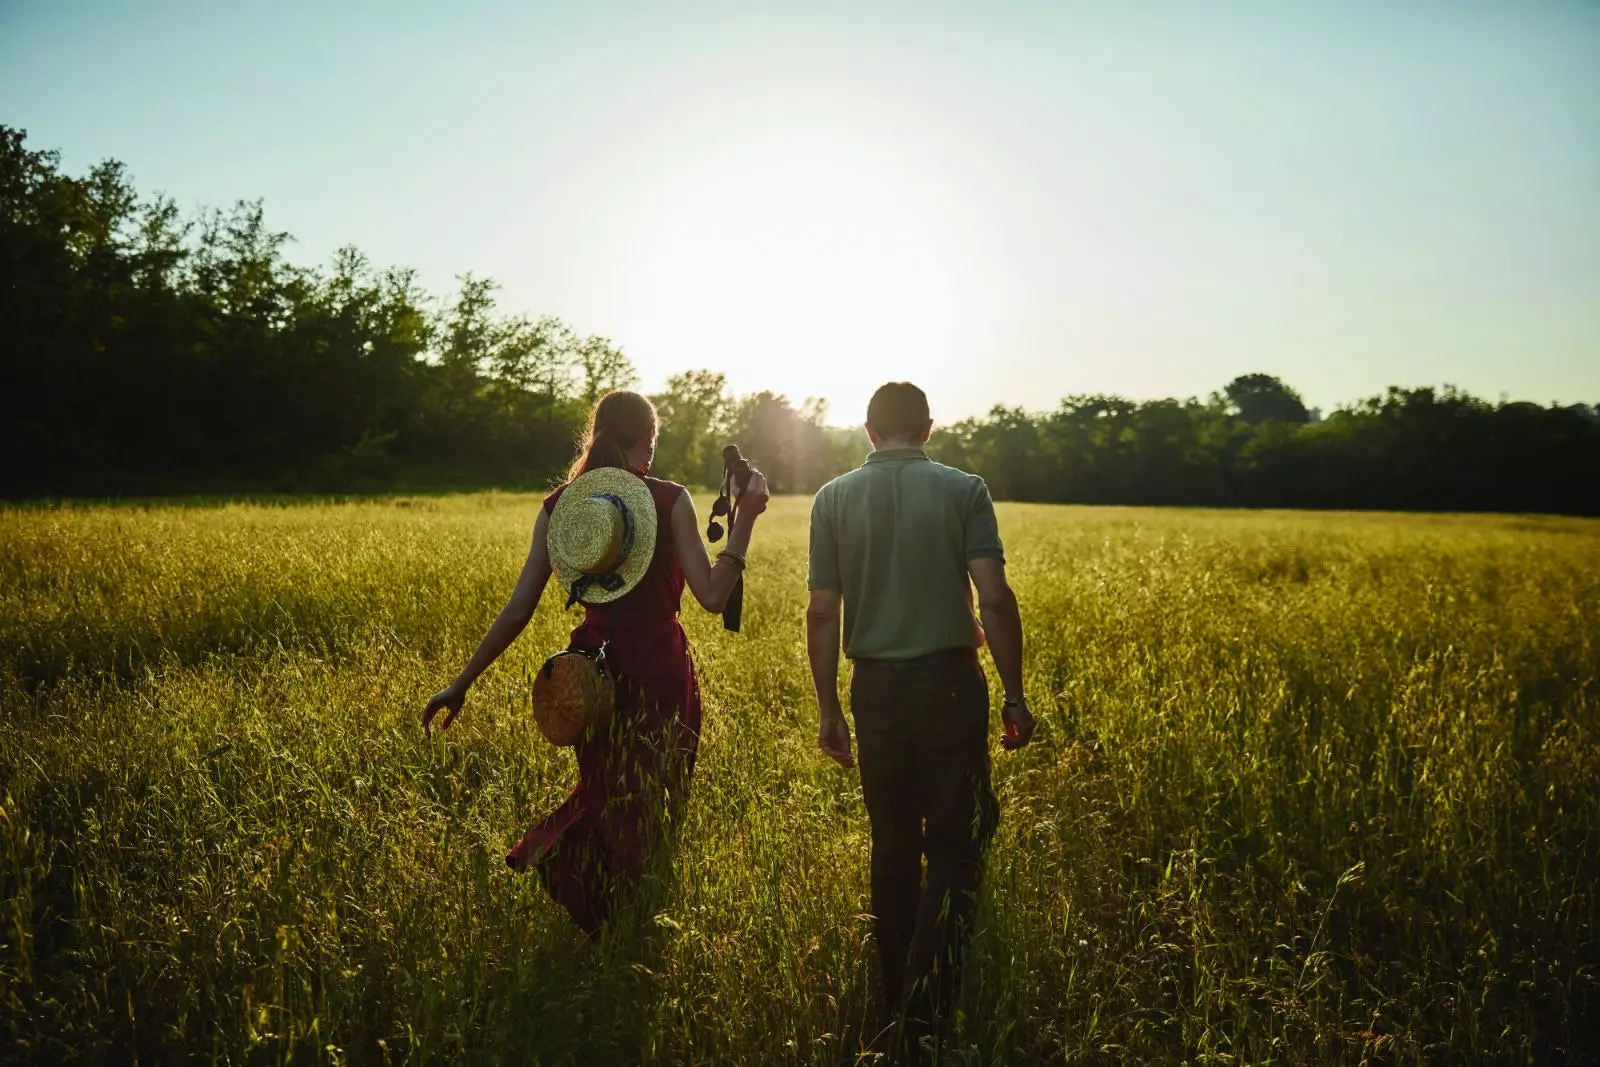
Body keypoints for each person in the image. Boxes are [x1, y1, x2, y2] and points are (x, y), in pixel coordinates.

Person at [422, 390, 769, 934]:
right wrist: (745, 519)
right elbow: (712, 596)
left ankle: (602, 911)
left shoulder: (561, 506)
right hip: (657, 671)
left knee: (605, 791)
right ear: (646, 446)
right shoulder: (669, 499)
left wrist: (461, 683)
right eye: (651, 444)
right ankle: (621, 913)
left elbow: (518, 610)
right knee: (653, 801)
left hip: (589, 676)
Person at [805, 381, 1036, 1054]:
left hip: (874, 691)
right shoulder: (965, 490)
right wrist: (1015, 695)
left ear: (869, 432)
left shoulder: (833, 498)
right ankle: (928, 1012)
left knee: (893, 843)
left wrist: (827, 707)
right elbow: (994, 597)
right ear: (928, 429)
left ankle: (893, 999)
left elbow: (823, 611)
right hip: (951, 686)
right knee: (957, 849)